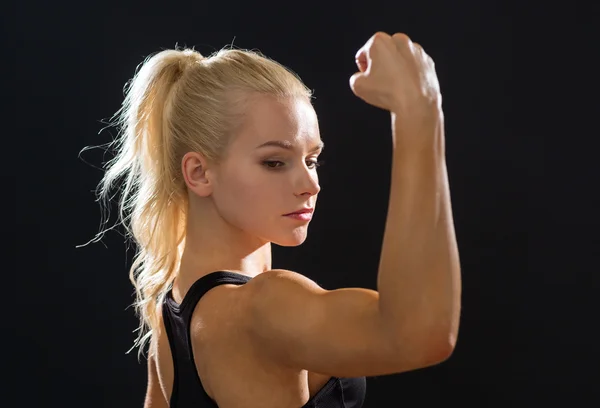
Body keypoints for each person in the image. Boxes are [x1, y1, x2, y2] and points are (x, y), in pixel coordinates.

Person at [93, 31, 461, 408]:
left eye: (312, 160)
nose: (310, 185)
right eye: (274, 162)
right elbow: (418, 333)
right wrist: (420, 107)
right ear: (200, 173)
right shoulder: (262, 309)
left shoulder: (168, 325)